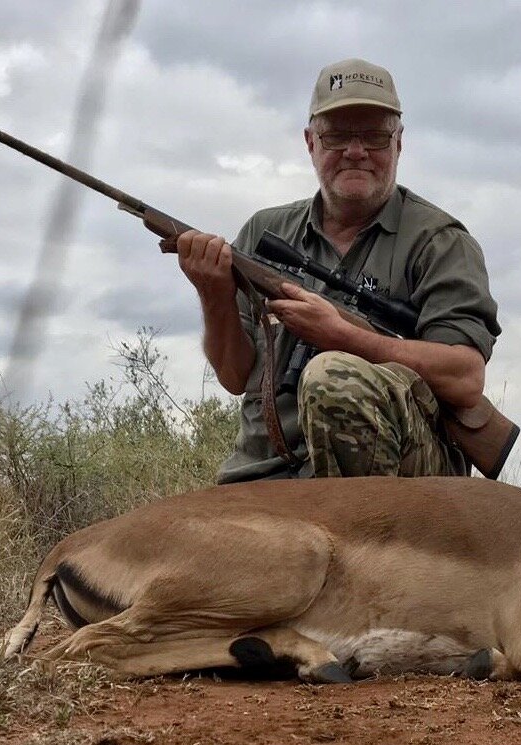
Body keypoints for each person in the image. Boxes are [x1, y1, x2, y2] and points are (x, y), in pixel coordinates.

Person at [177, 58, 501, 483]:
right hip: (263, 472)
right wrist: (213, 293)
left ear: (399, 143)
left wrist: (343, 337)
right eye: (337, 136)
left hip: (410, 479)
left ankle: (370, 540)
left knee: (334, 378)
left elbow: (465, 379)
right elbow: (235, 375)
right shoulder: (264, 231)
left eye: (374, 136)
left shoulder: (439, 241)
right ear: (310, 142)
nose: (355, 151)